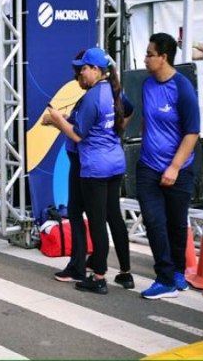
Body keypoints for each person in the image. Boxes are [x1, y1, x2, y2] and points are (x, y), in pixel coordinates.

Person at [44, 51, 134, 290]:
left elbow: (76, 134)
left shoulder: (93, 97)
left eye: (83, 68)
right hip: (114, 162)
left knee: (96, 222)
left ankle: (98, 277)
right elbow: (129, 111)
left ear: (95, 69)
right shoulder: (114, 90)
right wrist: (114, 132)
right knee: (112, 216)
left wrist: (56, 119)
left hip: (94, 166)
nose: (80, 73)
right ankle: (125, 272)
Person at [137, 33, 200, 299]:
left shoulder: (182, 88)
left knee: (176, 224)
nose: (145, 58)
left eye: (150, 54)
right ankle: (165, 278)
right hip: (148, 167)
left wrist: (174, 167)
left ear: (163, 57)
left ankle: (176, 273)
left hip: (179, 169)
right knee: (153, 221)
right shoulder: (146, 85)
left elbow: (192, 132)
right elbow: (146, 121)